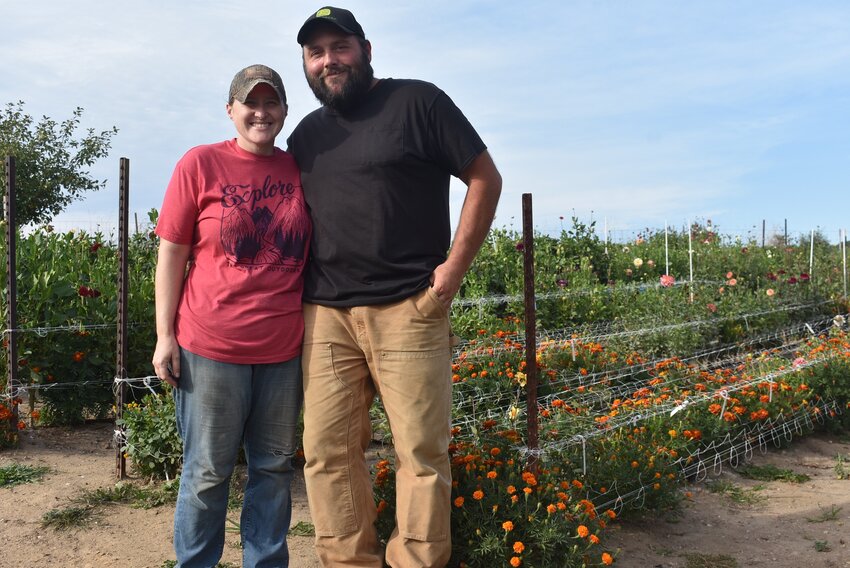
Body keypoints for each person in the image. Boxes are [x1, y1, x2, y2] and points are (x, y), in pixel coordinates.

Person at [287, 7, 503, 567]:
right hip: (325, 315)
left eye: (340, 47)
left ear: (366, 49)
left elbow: (485, 177)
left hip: (409, 307)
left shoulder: (418, 103)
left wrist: (451, 274)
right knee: (327, 455)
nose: (329, 60)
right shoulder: (305, 137)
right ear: (307, 65)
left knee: (421, 455)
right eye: (316, 52)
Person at [151, 64, 311, 568]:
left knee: (274, 470)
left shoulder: (298, 169)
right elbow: (172, 254)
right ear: (231, 109)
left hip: (283, 351)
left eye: (271, 103)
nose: (261, 113)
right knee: (207, 473)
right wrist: (164, 336)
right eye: (251, 103)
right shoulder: (201, 164)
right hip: (211, 346)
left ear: (285, 111)